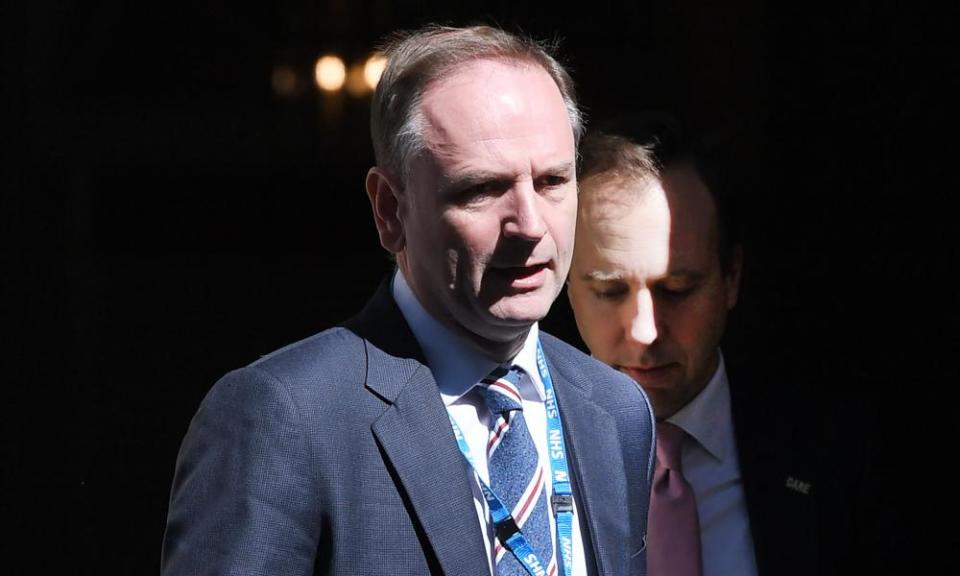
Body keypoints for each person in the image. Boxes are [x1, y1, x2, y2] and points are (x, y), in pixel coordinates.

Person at [161, 25, 654, 576]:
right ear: (390, 209)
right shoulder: (285, 417)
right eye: (481, 189)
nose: (530, 225)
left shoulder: (616, 412)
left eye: (552, 181)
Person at [566, 118, 863, 576]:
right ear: (566, 283)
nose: (645, 331)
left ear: (732, 278)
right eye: (609, 291)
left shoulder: (831, 451)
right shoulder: (517, 449)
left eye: (678, 289)